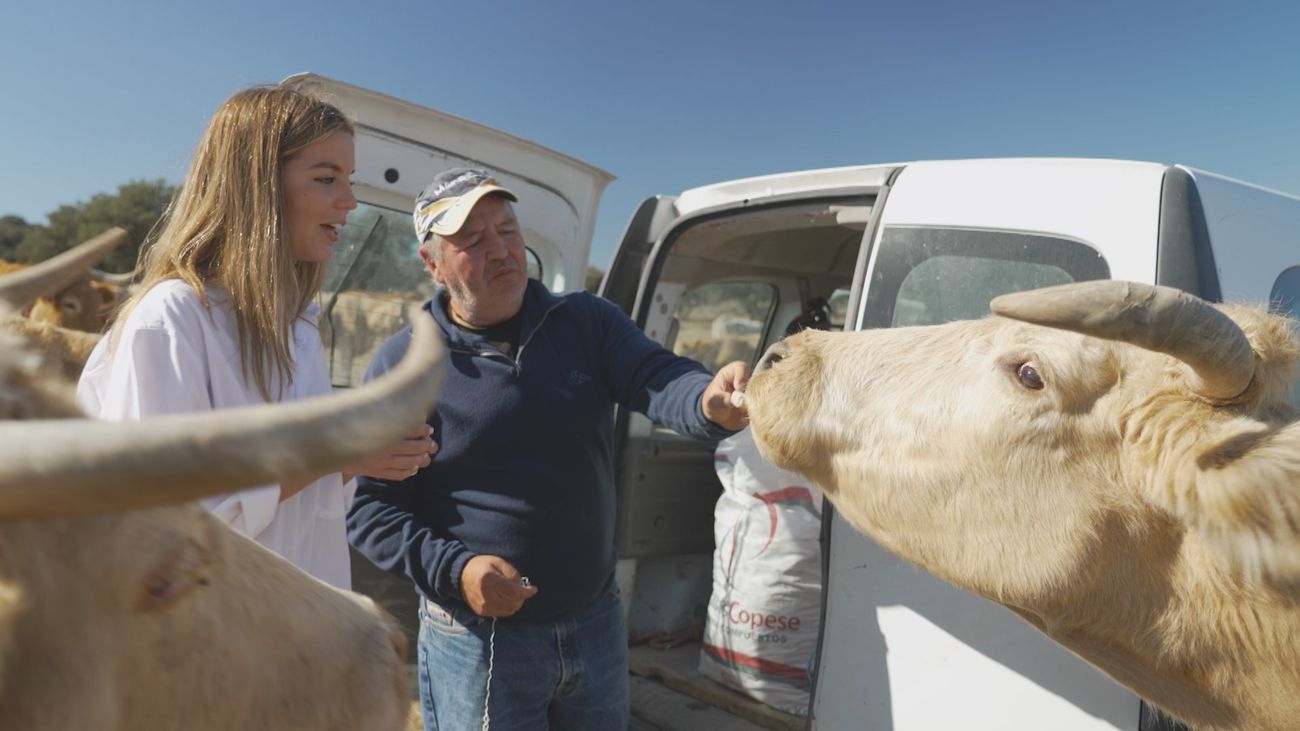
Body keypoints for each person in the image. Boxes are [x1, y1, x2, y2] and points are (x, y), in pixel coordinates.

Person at [347, 167, 750, 730]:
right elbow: (369, 510)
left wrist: (709, 400)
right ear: (432, 263)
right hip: (478, 641)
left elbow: (657, 376)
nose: (502, 251)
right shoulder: (405, 367)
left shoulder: (584, 321)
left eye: (508, 230)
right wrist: (457, 572)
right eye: (472, 241)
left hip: (596, 621)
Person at [76, 82, 436, 590]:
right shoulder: (171, 319)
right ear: (258, 185)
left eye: (348, 179)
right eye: (327, 178)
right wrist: (334, 451)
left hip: (294, 639)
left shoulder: (299, 324)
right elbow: (159, 524)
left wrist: (364, 455)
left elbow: (297, 507)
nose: (350, 201)